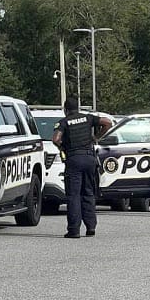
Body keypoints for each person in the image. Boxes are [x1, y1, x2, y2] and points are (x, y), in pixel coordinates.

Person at [52, 97, 112, 238]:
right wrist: (96, 138)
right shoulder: (88, 118)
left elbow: (56, 139)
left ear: (65, 109)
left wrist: (62, 147)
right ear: (78, 107)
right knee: (88, 192)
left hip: (74, 159)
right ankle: (91, 227)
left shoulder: (64, 122)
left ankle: (74, 230)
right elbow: (107, 123)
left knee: (74, 195)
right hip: (89, 158)